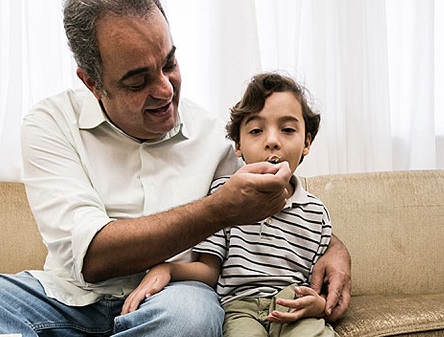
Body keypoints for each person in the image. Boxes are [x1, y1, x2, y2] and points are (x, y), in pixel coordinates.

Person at [0, 1, 350, 336]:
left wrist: (332, 247)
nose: (165, 89)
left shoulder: (217, 138)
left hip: (169, 301)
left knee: (193, 318)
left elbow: (273, 208)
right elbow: (92, 257)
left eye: (169, 63)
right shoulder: (49, 124)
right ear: (92, 81)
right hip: (68, 299)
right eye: (137, 79)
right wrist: (219, 209)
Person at [122, 72, 339, 337]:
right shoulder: (223, 199)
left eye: (288, 129)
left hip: (294, 306)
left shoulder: (316, 212)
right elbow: (208, 271)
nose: (272, 140)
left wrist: (318, 304)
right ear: (238, 145)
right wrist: (168, 268)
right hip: (238, 308)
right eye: (256, 130)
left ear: (306, 142)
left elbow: (319, 284)